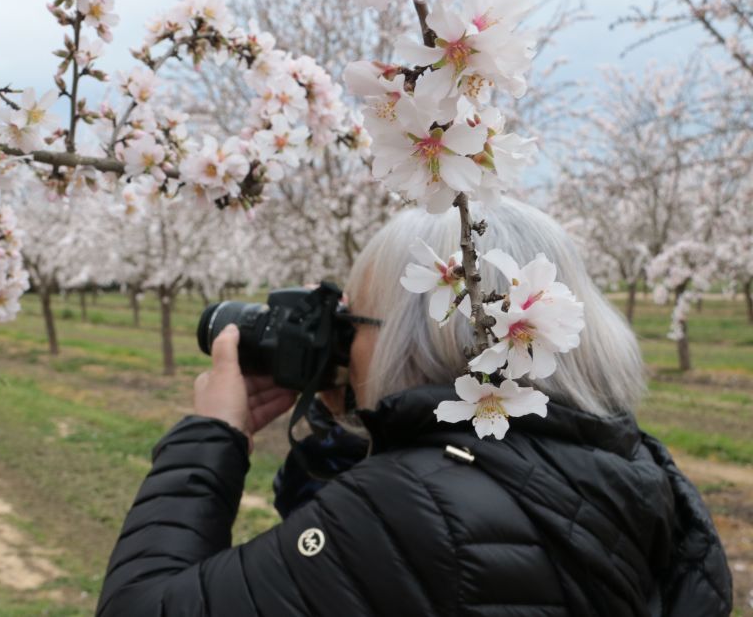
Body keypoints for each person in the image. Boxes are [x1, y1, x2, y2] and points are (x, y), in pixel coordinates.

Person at [95, 199, 733, 617]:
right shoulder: (639, 470)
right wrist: (355, 423)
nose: (343, 341)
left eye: (354, 321)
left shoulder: (402, 511)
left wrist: (210, 436)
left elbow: (139, 607)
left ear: (417, 335)